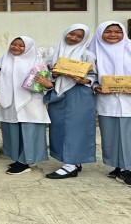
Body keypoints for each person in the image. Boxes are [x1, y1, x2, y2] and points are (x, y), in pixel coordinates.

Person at [89, 21, 131, 188]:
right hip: (109, 102)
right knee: (112, 137)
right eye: (108, 32)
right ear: (99, 33)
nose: (113, 35)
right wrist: (96, 87)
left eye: (117, 31)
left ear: (124, 33)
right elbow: (89, 75)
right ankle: (118, 166)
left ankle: (126, 170)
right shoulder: (91, 53)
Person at [40, 24, 97, 179]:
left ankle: (70, 165)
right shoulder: (52, 52)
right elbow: (43, 72)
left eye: (79, 36)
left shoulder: (88, 55)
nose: (74, 38)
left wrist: (83, 79)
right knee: (58, 127)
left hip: (79, 93)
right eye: (72, 34)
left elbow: (94, 76)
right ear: (65, 33)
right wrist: (55, 74)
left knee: (76, 128)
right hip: (58, 92)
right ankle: (72, 161)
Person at [0, 36, 50, 175]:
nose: (16, 48)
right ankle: (20, 159)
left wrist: (46, 84)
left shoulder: (37, 61)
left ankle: (25, 162)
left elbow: (46, 83)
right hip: (11, 102)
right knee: (14, 132)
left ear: (28, 48)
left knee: (29, 132)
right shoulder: (5, 59)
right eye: (14, 44)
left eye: (21, 46)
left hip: (31, 102)